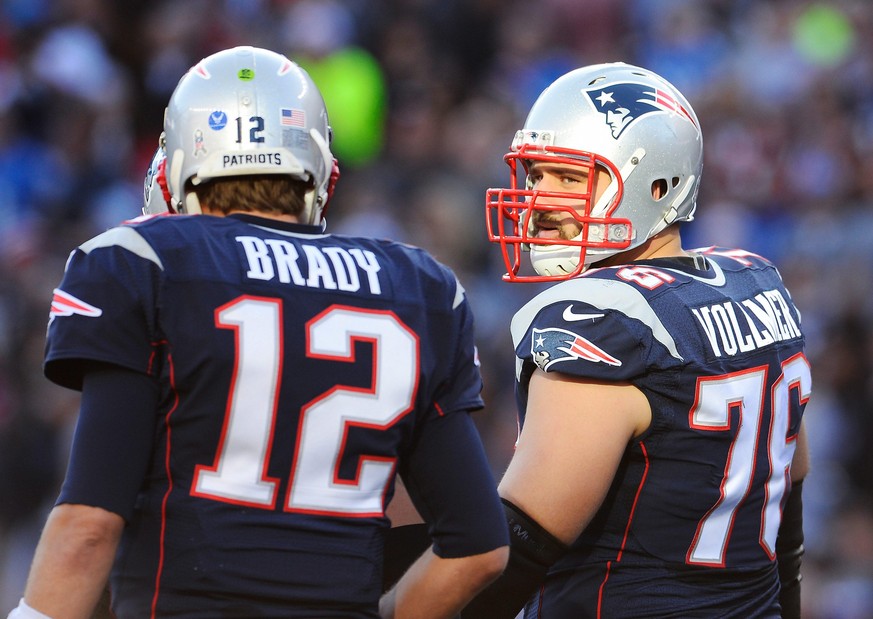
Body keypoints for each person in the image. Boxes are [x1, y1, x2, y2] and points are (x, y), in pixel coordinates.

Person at [8, 45, 508, 619]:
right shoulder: (418, 286)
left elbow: (90, 525)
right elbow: (479, 548)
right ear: (319, 170)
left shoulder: (143, 262)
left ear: (179, 167)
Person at [462, 62, 811, 618]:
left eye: (569, 177)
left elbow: (523, 542)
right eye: (534, 175)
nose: (539, 199)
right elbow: (789, 487)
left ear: (656, 184)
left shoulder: (602, 316)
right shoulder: (756, 281)